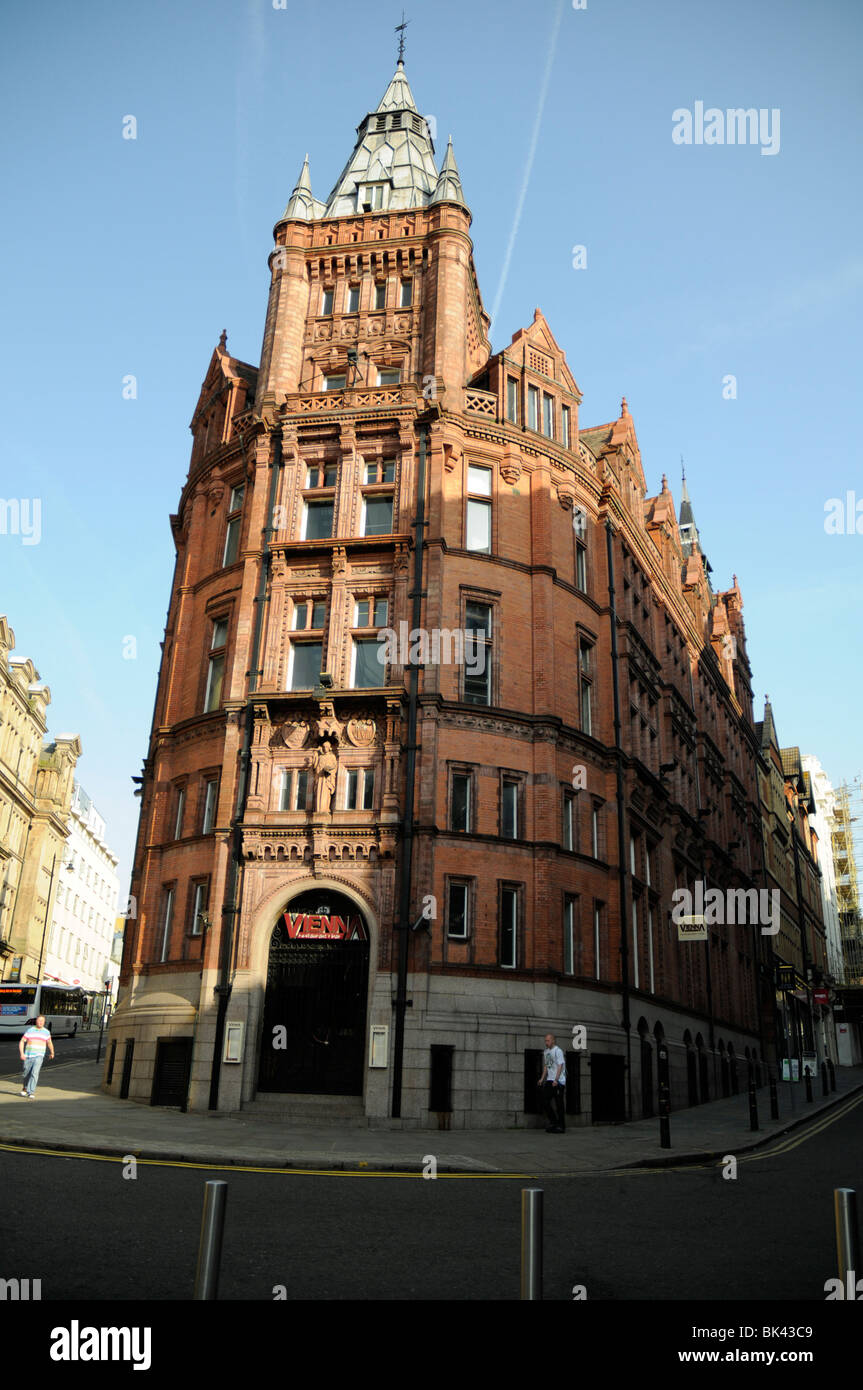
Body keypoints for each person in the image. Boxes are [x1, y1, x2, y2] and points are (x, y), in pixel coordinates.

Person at [19, 1014, 54, 1098]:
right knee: (26, 1073)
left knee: (35, 1073)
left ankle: (31, 1092)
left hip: (39, 1056)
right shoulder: (30, 1030)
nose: (40, 1022)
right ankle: (25, 1088)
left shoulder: (46, 1032)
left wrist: (52, 1052)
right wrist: (22, 1053)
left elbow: (49, 1043)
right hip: (28, 1056)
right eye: (39, 1020)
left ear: (44, 1022)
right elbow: (22, 1041)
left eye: (42, 1021)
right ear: (36, 1021)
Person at [537, 1031, 566, 1133]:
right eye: (545, 1041)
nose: (546, 1042)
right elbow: (547, 1066)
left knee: (559, 1105)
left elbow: (560, 1065)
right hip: (550, 1080)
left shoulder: (558, 1051)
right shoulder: (546, 1052)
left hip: (558, 1082)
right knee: (544, 1101)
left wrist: (556, 1079)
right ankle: (554, 1122)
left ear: (553, 1040)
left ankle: (561, 1126)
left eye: (548, 1040)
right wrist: (542, 1079)